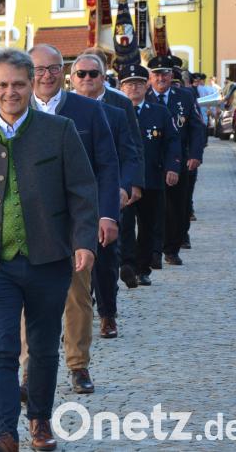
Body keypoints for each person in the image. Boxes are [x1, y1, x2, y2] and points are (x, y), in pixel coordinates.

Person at [0, 48, 98, 452]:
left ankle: (40, 423)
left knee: (46, 346)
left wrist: (83, 242)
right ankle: (6, 434)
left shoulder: (60, 130)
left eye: (18, 84)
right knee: (2, 348)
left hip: (49, 259)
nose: (10, 92)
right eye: (2, 85)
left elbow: (83, 192)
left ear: (32, 84)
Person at [21, 44, 119, 398]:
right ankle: (30, 368)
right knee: (29, 298)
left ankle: (78, 365)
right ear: (28, 73)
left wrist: (106, 215)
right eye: (39, 69)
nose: (47, 75)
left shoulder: (89, 111)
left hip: (75, 221)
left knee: (77, 296)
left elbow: (108, 166)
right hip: (28, 222)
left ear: (62, 72)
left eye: (53, 68)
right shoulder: (14, 109)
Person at [70, 53, 144, 339]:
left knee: (105, 255)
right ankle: (75, 318)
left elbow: (131, 151)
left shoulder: (118, 108)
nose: (87, 79)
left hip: (106, 192)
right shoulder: (62, 107)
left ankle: (107, 315)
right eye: (81, 74)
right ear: (73, 78)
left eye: (93, 74)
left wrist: (128, 186)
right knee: (72, 258)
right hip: (72, 194)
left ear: (103, 77)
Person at [118, 63, 181, 291]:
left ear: (147, 85)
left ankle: (142, 269)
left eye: (138, 83)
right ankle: (126, 263)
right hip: (123, 181)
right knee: (124, 224)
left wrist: (173, 167)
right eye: (128, 84)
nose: (134, 88)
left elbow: (172, 141)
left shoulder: (159, 112)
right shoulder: (116, 112)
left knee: (148, 225)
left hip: (152, 178)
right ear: (121, 87)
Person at [145, 55, 205, 266]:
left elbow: (197, 128)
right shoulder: (143, 97)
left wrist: (196, 154)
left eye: (165, 73)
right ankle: (153, 250)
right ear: (150, 77)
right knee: (152, 208)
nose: (161, 78)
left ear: (172, 75)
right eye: (157, 74)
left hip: (181, 161)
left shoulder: (185, 96)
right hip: (151, 162)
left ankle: (172, 248)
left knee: (178, 207)